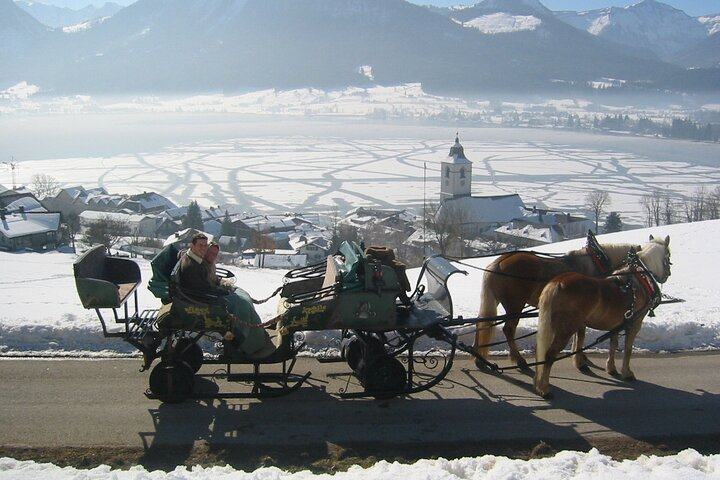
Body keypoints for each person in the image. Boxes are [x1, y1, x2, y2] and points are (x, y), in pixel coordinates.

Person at [177, 233, 275, 358]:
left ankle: (256, 335)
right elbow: (203, 289)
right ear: (192, 245)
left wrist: (222, 284)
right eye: (200, 245)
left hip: (207, 295)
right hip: (205, 300)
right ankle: (247, 343)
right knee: (243, 303)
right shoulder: (191, 265)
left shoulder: (197, 259)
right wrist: (222, 290)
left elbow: (208, 280)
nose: (203, 248)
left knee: (244, 297)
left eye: (204, 245)